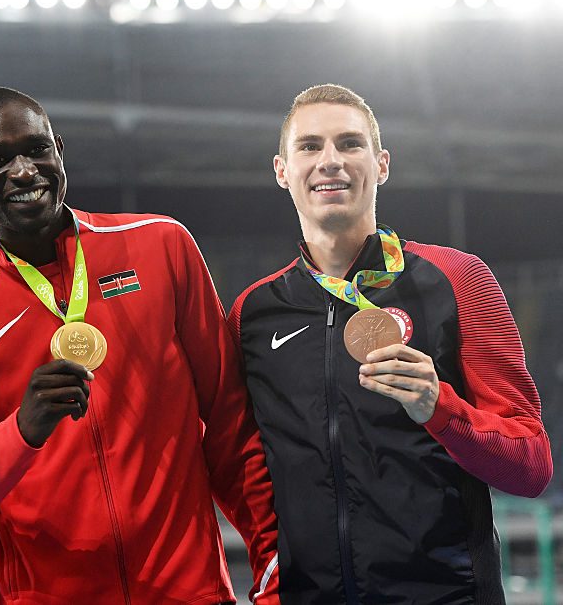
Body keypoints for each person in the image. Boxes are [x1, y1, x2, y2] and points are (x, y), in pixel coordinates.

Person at [0, 87, 279, 604]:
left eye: (37, 150)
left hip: (190, 593)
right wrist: (20, 433)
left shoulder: (161, 246)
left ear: (60, 149)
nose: (24, 171)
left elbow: (233, 431)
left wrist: (273, 567)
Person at [227, 83, 553, 603]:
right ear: (281, 171)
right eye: (309, 146)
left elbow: (531, 465)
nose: (330, 160)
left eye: (349, 144)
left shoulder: (457, 279)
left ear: (380, 165)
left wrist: (440, 408)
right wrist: (270, 572)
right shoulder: (253, 314)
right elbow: (244, 464)